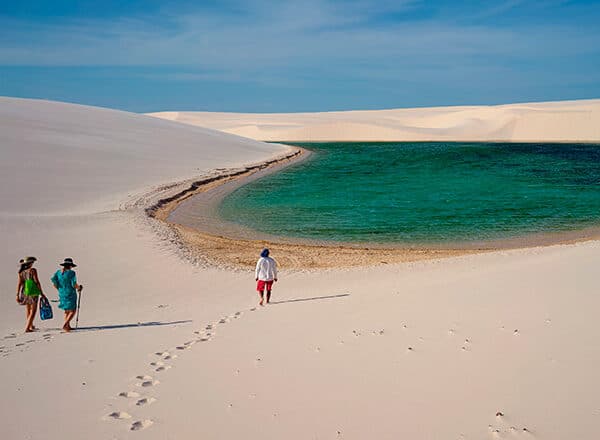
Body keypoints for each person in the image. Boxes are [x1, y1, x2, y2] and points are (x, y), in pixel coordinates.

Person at [51, 258, 83, 332]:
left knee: (66, 310)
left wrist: (59, 289)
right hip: (70, 292)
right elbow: (73, 284)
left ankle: (67, 326)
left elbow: (54, 282)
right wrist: (79, 288)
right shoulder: (71, 273)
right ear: (70, 265)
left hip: (62, 292)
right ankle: (66, 324)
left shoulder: (58, 272)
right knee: (73, 310)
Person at [16, 256, 47, 332]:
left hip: (25, 291)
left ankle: (31, 325)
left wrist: (17, 294)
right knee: (33, 311)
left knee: (28, 309)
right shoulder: (33, 270)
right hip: (33, 291)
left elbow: (20, 283)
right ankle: (27, 328)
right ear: (30, 263)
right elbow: (36, 282)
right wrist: (41, 292)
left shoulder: (21, 272)